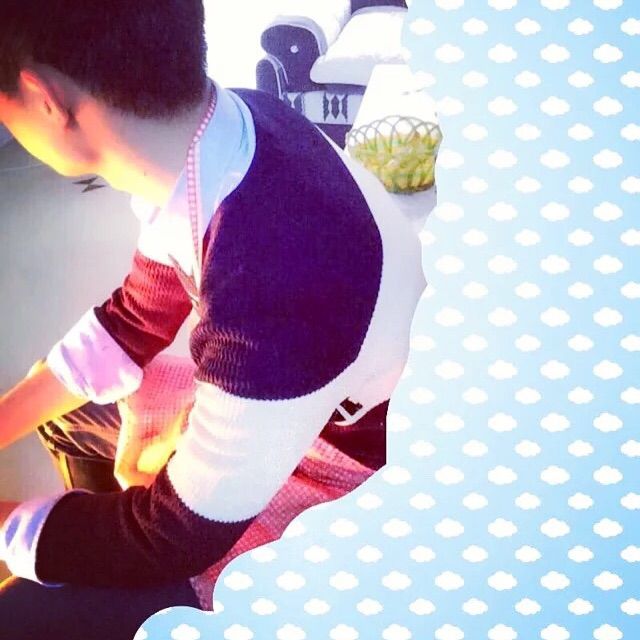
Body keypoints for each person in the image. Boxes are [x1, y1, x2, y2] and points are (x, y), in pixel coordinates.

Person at [0, 1, 425, 638]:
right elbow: (135, 315)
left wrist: (17, 527)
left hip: (341, 458)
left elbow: (178, 535)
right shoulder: (224, 127)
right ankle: (98, 532)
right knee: (65, 419)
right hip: (294, 385)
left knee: (25, 616)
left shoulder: (276, 277)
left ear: (43, 98)